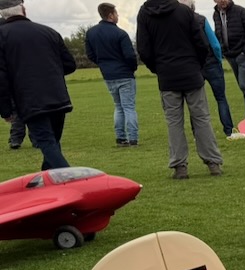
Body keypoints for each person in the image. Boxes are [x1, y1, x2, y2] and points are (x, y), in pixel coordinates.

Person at [136, 0, 223, 179]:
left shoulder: (145, 14)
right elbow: (201, 43)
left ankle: (179, 166)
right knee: (202, 118)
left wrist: (157, 68)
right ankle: (213, 162)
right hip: (191, 72)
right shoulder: (184, 11)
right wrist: (197, 64)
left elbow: (143, 48)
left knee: (174, 122)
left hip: (167, 74)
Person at [0, 0, 76, 170]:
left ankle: (71, 180)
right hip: (58, 96)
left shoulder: (2, 36)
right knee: (52, 144)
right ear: (23, 10)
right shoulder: (48, 31)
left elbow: (2, 78)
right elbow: (70, 65)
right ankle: (47, 180)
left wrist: (5, 109)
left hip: (29, 100)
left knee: (47, 143)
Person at [181, 0, 240, 139]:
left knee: (195, 102)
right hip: (211, 63)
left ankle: (197, 134)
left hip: (193, 66)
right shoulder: (201, 20)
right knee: (221, 98)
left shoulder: (178, 23)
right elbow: (215, 44)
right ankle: (229, 130)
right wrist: (218, 59)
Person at [85, 2, 139, 147]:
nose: (117, 16)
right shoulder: (120, 33)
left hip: (108, 75)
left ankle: (120, 137)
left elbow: (90, 54)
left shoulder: (91, 33)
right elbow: (129, 55)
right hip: (124, 74)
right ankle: (133, 138)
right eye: (116, 13)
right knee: (129, 107)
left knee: (118, 106)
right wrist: (132, 68)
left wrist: (103, 63)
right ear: (110, 15)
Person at [212, 0, 245, 119]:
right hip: (230, 55)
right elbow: (219, 34)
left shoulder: (242, 12)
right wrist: (223, 50)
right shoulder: (216, 15)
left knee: (244, 85)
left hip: (244, 55)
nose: (222, 1)